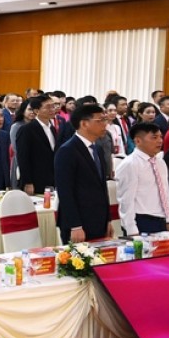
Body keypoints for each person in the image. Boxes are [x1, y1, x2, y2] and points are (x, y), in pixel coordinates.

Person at [54, 104, 112, 244]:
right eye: (100, 120)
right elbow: (65, 191)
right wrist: (75, 226)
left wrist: (108, 219)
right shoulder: (67, 150)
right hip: (79, 223)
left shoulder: (97, 148)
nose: (105, 124)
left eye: (105, 120)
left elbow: (102, 187)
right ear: (84, 123)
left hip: (99, 220)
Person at [116, 122, 169, 236]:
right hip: (141, 220)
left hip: (161, 220)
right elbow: (126, 200)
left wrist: (168, 219)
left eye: (160, 137)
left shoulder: (160, 162)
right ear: (138, 141)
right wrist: (131, 229)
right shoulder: (130, 164)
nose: (160, 141)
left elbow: (165, 192)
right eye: (154, 137)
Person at [15, 94, 60, 195]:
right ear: (36, 111)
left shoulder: (52, 129)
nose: (52, 109)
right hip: (34, 179)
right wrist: (28, 182)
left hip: (51, 179)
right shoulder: (26, 130)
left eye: (53, 106)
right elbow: (23, 158)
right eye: (48, 107)